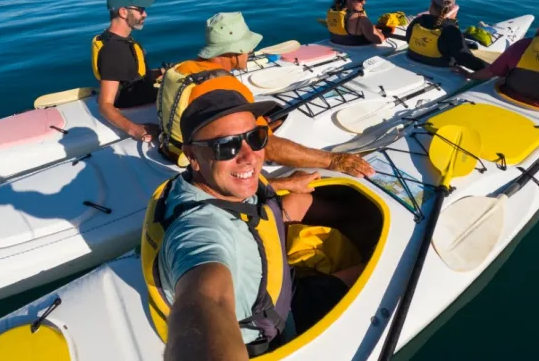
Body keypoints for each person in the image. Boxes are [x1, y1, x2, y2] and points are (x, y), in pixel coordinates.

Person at [143, 88, 371, 361]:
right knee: (378, 269)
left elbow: (242, 187)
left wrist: (286, 184)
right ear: (192, 156)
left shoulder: (192, 184)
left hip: (265, 283)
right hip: (276, 320)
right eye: (225, 146)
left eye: (256, 137)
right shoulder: (200, 231)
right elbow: (206, 299)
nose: (249, 156)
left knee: (310, 203)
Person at [158, 11, 374, 178]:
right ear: (233, 50)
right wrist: (331, 160)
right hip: (199, 162)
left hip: (172, 146)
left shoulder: (182, 68)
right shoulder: (226, 87)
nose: (251, 52)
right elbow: (267, 147)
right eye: (247, 47)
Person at [93, 0, 162, 142]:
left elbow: (128, 74)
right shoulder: (113, 50)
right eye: (140, 9)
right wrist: (135, 130)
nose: (145, 14)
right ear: (123, 12)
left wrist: (159, 73)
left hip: (140, 92)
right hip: (137, 105)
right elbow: (105, 105)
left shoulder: (117, 40)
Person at [404, 0, 486, 71]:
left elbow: (408, 39)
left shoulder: (418, 21)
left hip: (411, 57)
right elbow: (464, 58)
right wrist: (487, 68)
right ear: (453, 8)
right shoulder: (451, 30)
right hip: (440, 67)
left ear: (432, 3)